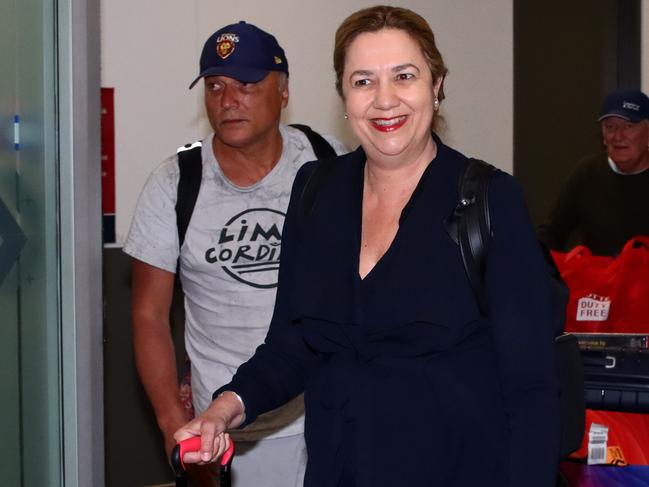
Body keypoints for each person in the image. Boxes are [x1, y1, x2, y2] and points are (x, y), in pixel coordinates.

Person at [174, 6, 559, 487]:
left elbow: (532, 390)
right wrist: (225, 409)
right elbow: (293, 344)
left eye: (404, 76)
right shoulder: (316, 191)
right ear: (343, 96)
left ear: (436, 85)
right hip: (338, 470)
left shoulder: (487, 199)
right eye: (362, 81)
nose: (384, 100)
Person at [124, 20, 347, 487]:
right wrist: (174, 430)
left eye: (246, 84)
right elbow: (148, 316)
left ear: (283, 91)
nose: (228, 100)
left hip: (330, 416)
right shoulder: (175, 183)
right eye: (215, 86)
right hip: (224, 432)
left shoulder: (329, 163)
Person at [539, 89, 649, 256]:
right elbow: (551, 233)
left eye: (629, 126)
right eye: (610, 127)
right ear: (603, 137)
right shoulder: (587, 174)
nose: (618, 136)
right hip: (597, 279)